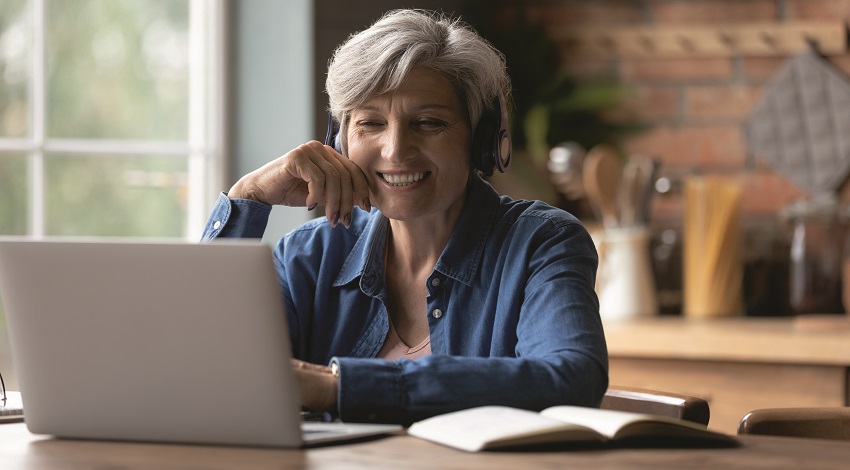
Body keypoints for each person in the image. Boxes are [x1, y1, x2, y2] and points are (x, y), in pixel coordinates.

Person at [201, 9, 607, 426]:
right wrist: (247, 199)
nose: (395, 150)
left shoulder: (542, 242)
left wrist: (339, 387)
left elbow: (570, 377)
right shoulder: (308, 257)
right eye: (370, 123)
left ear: (482, 140)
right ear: (339, 142)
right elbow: (200, 369)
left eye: (428, 123)